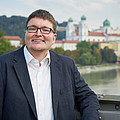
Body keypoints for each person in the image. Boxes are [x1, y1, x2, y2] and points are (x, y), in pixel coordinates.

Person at [0, 9, 100, 120]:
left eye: (45, 30)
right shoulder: (3, 65)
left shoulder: (67, 65)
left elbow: (87, 97)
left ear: (54, 38)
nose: (38, 34)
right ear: (25, 34)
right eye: (32, 29)